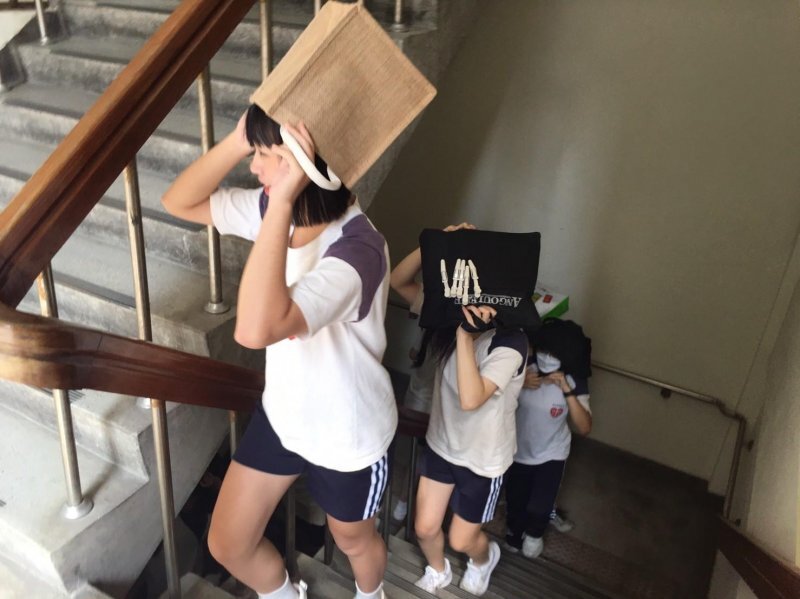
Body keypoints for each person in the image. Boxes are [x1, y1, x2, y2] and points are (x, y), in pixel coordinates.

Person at [162, 105, 396, 599]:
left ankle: (371, 594)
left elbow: (256, 329)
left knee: (352, 539)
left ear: (304, 165)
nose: (253, 167)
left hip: (347, 434)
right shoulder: (274, 209)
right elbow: (178, 201)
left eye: (265, 154)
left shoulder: (358, 250)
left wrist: (283, 200)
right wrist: (238, 140)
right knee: (229, 542)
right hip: (284, 416)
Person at [413, 304, 527, 596]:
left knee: (461, 540)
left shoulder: (511, 341)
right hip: (442, 443)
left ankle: (484, 559)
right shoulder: (447, 310)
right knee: (425, 528)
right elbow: (403, 285)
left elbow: (471, 398)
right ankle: (438, 570)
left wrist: (464, 335)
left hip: (483, 459)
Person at [388, 224, 474, 522]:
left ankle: (435, 510)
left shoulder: (481, 305)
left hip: (458, 401)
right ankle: (405, 498)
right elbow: (397, 280)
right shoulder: (433, 296)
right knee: (417, 452)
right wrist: (435, 242)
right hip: (424, 395)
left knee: (447, 461)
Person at [504, 319, 592, 559]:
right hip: (518, 449)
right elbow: (493, 394)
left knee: (539, 504)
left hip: (552, 451)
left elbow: (585, 427)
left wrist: (567, 390)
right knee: (516, 500)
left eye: (553, 353)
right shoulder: (525, 365)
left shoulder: (574, 378)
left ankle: (535, 533)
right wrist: (520, 382)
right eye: (543, 350)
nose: (546, 357)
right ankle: (515, 533)